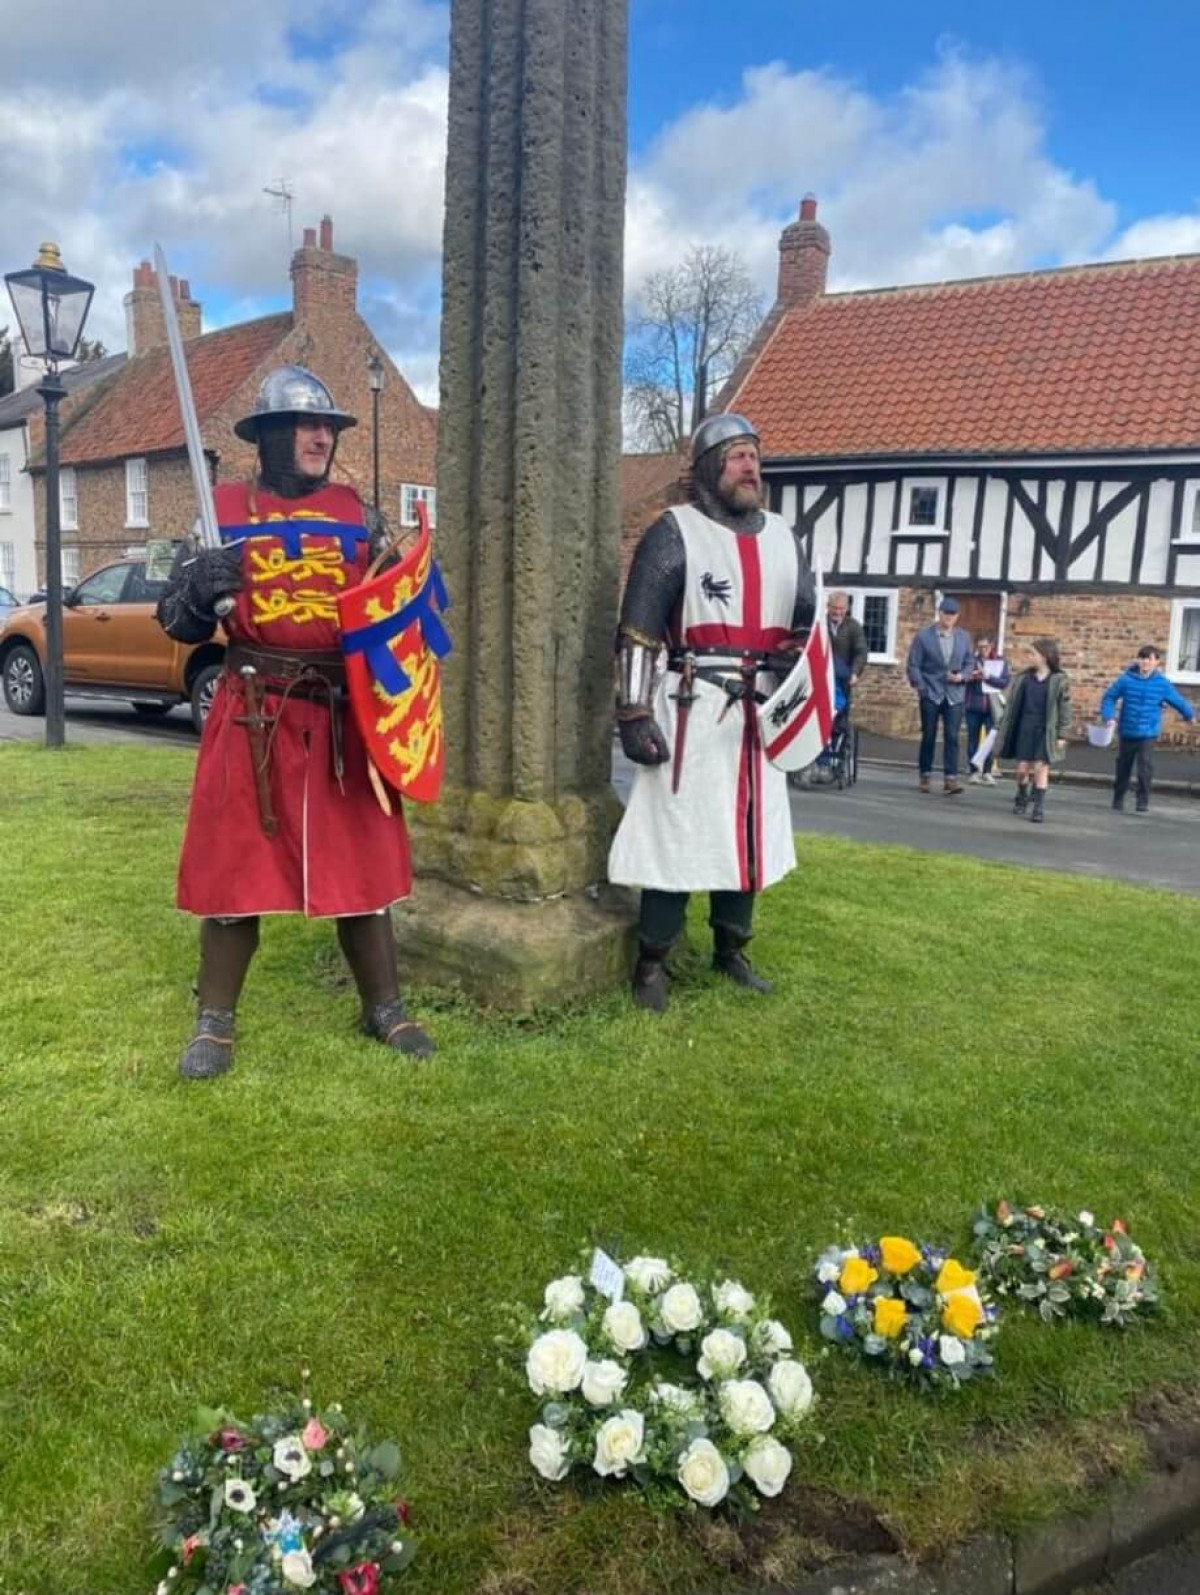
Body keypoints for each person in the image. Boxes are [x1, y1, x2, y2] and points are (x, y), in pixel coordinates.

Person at [156, 365, 435, 1079]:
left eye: (328, 429)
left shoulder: (359, 513)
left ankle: (384, 1006)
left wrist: (424, 590)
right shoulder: (219, 511)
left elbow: (401, 602)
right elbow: (176, 620)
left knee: (362, 866)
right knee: (233, 867)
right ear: (271, 436)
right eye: (306, 427)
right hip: (252, 710)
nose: (320, 438)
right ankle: (214, 1022)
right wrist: (199, 586)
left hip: (342, 716)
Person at [608, 413, 815, 1013]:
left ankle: (732, 950)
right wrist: (634, 713)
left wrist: (800, 661)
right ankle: (653, 960)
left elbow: (804, 624)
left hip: (763, 716)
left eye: (754, 454)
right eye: (735, 456)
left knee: (748, 839)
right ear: (707, 469)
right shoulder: (675, 533)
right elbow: (640, 631)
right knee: (675, 834)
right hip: (693, 709)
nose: (750, 466)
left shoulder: (784, 537)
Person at [1100, 644, 1196, 813]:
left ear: (1156, 662)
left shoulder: (1162, 684)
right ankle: (1118, 797)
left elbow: (1177, 700)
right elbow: (1109, 698)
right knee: (1123, 766)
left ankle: (1142, 800)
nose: (1145, 662)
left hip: (1148, 732)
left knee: (1145, 766)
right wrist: (1109, 717)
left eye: (1149, 659)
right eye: (1142, 658)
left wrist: (1189, 715)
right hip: (1128, 730)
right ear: (1137, 660)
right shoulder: (1126, 680)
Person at [994, 638, 1072, 824]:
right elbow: (1011, 705)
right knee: (1022, 770)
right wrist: (1002, 724)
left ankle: (1038, 807)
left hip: (1046, 730)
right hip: (1025, 727)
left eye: (1033, 654)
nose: (1029, 657)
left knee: (1040, 768)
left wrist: (1062, 734)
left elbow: (1065, 708)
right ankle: (1022, 795)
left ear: (1044, 657)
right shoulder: (1023, 679)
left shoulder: (1059, 680)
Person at [905, 596, 974, 795]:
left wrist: (962, 676)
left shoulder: (963, 637)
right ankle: (925, 775)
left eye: (953, 614)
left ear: (957, 616)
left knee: (952, 736)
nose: (949, 617)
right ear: (940, 613)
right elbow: (914, 664)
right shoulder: (924, 636)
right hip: (931, 691)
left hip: (954, 694)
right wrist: (921, 687)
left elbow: (970, 663)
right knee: (929, 735)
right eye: (946, 613)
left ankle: (950, 779)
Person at [964, 632, 1010, 785]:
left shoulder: (1000, 661)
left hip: (992, 707)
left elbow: (1004, 682)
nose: (983, 649)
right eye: (980, 647)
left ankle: (987, 771)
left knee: (991, 740)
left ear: (991, 646)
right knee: (973, 739)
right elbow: (963, 678)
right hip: (973, 705)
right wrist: (971, 677)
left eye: (986, 646)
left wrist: (987, 677)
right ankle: (973, 771)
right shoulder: (971, 660)